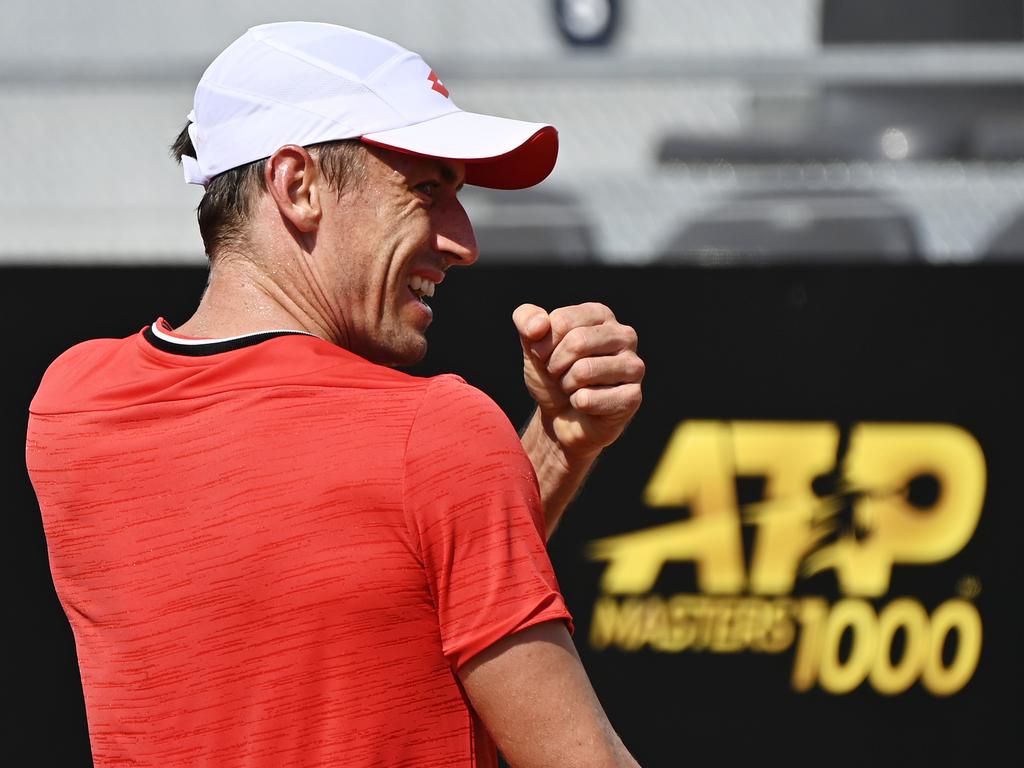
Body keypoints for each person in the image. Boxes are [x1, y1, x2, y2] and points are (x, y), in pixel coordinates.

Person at [27, 21, 644, 768]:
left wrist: (554, 444)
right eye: (425, 188)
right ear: (298, 187)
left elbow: (379, 588)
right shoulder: (438, 433)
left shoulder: (71, 408)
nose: (464, 239)